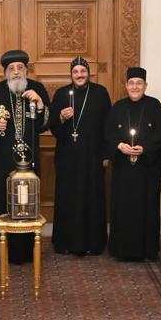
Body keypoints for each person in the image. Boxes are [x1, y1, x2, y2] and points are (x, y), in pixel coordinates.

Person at [0, 49, 51, 264]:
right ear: (6, 72)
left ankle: (23, 253)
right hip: (0, 160)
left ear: (26, 71)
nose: (16, 72)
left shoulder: (37, 89)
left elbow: (46, 124)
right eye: (12, 69)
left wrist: (39, 104)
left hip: (27, 161)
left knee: (25, 204)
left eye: (20, 68)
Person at [48, 56, 112, 256]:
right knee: (68, 197)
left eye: (83, 71)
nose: (79, 75)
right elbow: (52, 127)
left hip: (93, 156)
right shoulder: (61, 94)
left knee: (91, 195)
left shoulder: (100, 93)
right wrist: (61, 117)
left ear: (88, 73)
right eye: (75, 72)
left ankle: (93, 243)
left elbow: (108, 127)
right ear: (71, 74)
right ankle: (65, 242)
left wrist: (106, 154)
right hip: (68, 156)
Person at [105, 67, 161, 261]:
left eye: (139, 83)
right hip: (123, 169)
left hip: (147, 169)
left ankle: (147, 250)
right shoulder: (118, 107)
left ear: (145, 85)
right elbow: (108, 132)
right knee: (124, 208)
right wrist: (119, 145)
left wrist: (145, 148)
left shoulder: (155, 106)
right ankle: (121, 249)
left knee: (147, 208)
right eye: (131, 83)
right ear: (126, 85)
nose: (135, 87)